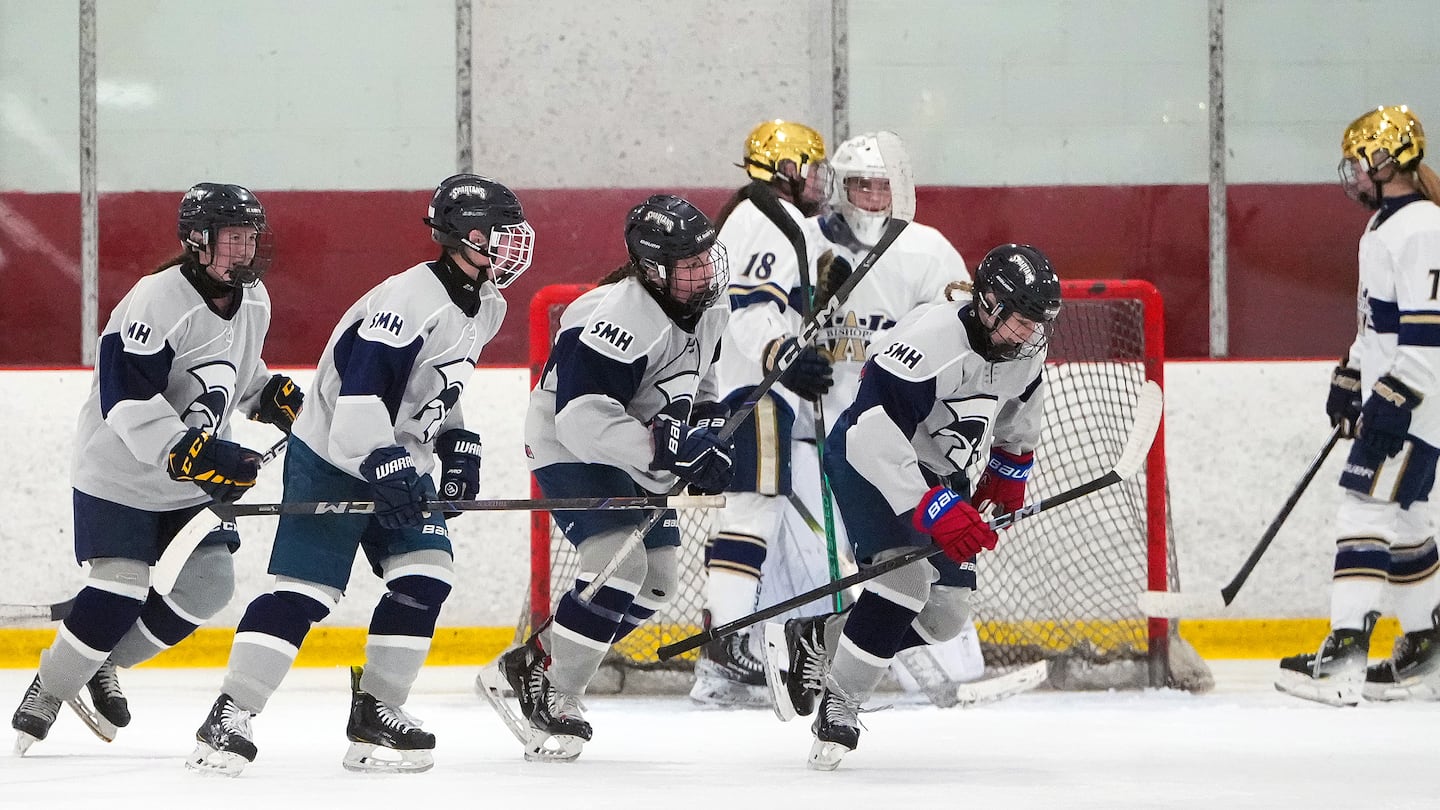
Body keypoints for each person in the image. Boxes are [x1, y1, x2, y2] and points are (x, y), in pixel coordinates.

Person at [185, 173, 533, 775]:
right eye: (496, 234)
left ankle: (377, 711)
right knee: (304, 593)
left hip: (396, 457)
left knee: (426, 576)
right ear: (460, 236)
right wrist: (388, 464)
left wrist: (456, 441)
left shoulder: (488, 303)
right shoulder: (406, 301)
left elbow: (432, 388)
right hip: (334, 457)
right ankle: (230, 714)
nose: (510, 245)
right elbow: (360, 403)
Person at [10, 183, 299, 755]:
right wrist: (198, 454)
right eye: (231, 239)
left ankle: (98, 662)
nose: (245, 251)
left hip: (191, 481)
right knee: (119, 589)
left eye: (250, 238)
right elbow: (127, 400)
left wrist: (270, 397)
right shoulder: (154, 301)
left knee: (210, 585)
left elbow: (232, 374)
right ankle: (50, 685)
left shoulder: (255, 298)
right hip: (119, 473)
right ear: (196, 241)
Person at [695, 128, 972, 706]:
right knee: (779, 532)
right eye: (857, 185)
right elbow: (754, 308)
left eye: (880, 186)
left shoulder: (928, 250)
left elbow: (957, 340)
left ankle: (830, 655)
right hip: (809, 427)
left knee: (899, 559)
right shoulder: (801, 236)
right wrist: (786, 354)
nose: (869, 196)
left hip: (893, 437)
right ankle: (749, 656)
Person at [763, 244, 1062, 770]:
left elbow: (1020, 413)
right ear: (989, 304)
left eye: (1038, 324)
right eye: (1020, 320)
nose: (1029, 334)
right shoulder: (930, 340)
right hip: (867, 460)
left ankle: (820, 637)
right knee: (904, 584)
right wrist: (935, 508)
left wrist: (1006, 475)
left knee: (946, 615)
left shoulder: (1026, 349)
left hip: (938, 473)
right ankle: (842, 699)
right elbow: (870, 436)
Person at [483, 194, 731, 761]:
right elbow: (581, 418)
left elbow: (704, 381)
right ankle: (557, 692)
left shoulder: (709, 307)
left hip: (631, 447)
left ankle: (532, 661)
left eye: (705, 257)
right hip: (570, 447)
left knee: (657, 583)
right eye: (688, 264)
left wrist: (709, 435)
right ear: (651, 268)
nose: (703, 271)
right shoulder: (615, 318)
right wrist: (665, 449)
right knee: (619, 561)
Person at [1276, 104, 1440, 706]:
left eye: (1360, 160)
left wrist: (1395, 399)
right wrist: (1350, 374)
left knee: (1363, 511)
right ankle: (1428, 650)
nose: (1352, 172)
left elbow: (1429, 334)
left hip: (1419, 402)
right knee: (1408, 519)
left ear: (1390, 159)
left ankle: (1344, 652)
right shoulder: (1382, 228)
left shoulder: (1423, 226)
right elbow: (1378, 326)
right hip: (1399, 390)